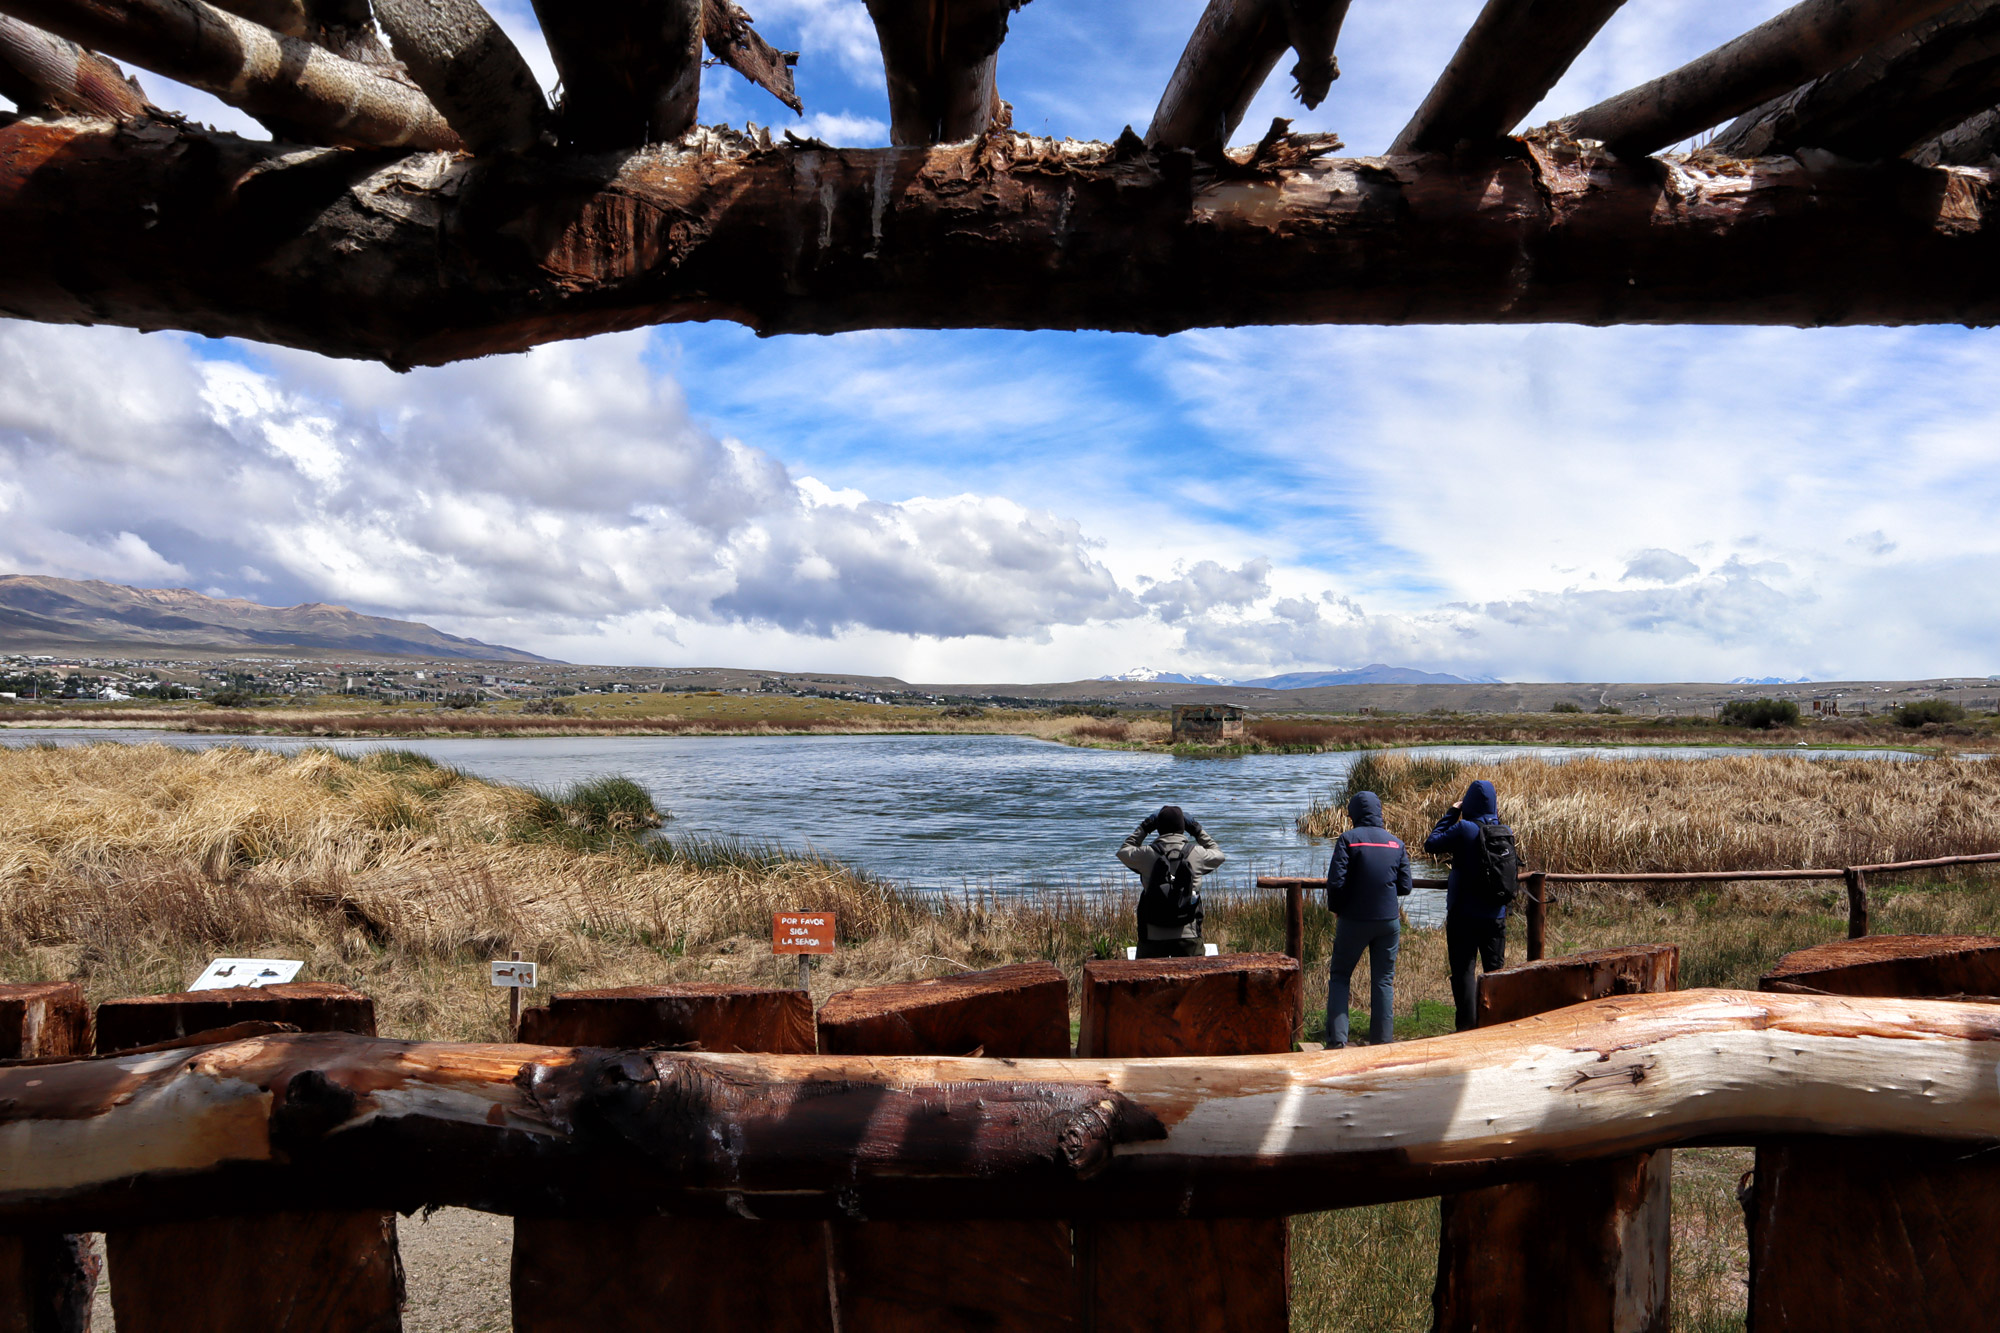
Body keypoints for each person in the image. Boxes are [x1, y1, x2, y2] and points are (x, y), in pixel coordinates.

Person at [1425, 778, 1516, 1032]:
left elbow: (1431, 843)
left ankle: (1466, 1028)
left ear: (1470, 803)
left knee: (1464, 972)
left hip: (1463, 915)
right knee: (1495, 971)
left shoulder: (1465, 828)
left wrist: (1452, 812)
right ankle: (1495, 1024)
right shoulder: (1504, 831)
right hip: (1495, 914)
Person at [1323, 789, 1411, 1047]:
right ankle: (1382, 1041)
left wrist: (1337, 908)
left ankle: (1337, 1042)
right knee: (1383, 980)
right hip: (1388, 921)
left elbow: (1335, 883)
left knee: (1340, 975)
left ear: (1354, 814)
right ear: (1379, 812)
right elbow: (1405, 886)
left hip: (1354, 920)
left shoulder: (1348, 839)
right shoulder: (1396, 843)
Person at [1117, 805, 1225, 958]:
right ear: (1183, 828)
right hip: (1189, 937)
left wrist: (1145, 827)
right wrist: (1196, 829)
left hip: (1152, 938)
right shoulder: (1197, 853)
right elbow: (1219, 855)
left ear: (1158, 828)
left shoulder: (1147, 854)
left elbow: (1123, 851)